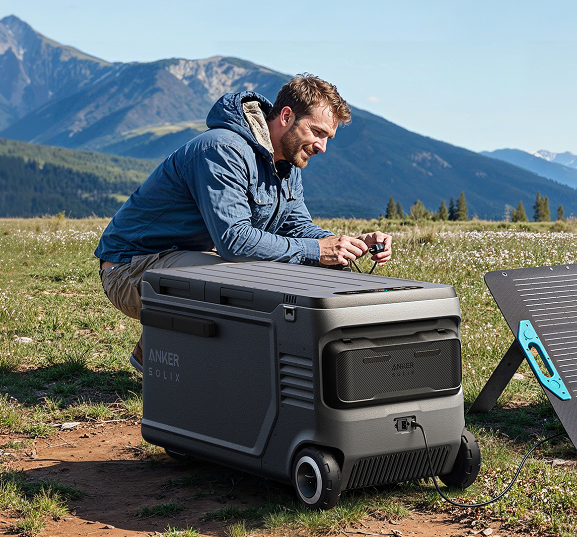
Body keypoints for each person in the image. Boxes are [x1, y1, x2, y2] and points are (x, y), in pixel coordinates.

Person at [95, 74, 392, 370]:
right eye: (317, 132)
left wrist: (346, 246)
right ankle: (173, 365)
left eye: (328, 138)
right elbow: (235, 241)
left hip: (183, 261)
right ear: (287, 116)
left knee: (299, 269)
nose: (322, 147)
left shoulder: (287, 165)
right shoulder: (223, 150)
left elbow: (298, 227)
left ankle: (165, 353)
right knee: (243, 282)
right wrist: (316, 250)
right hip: (130, 269)